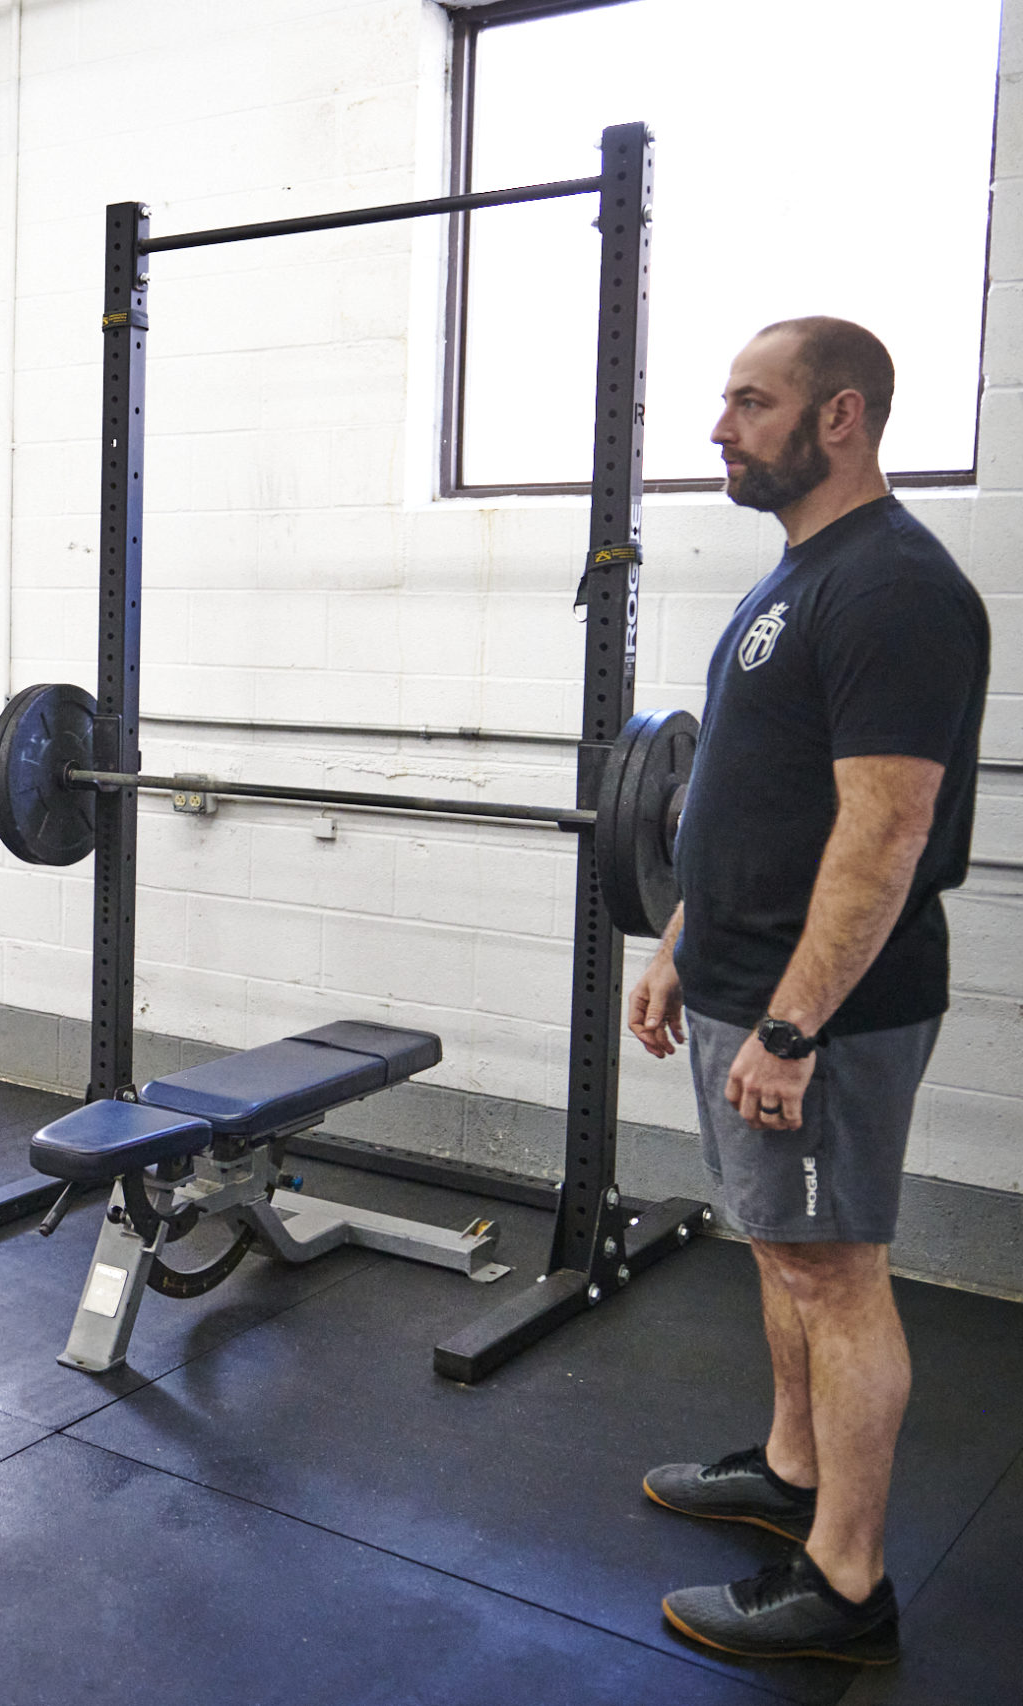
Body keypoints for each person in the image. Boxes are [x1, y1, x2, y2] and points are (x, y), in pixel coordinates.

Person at [625, 317, 988, 1666]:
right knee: (786, 1249)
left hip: (819, 1013)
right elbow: (749, 798)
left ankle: (846, 1584)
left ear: (839, 418)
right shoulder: (797, 577)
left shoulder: (892, 585)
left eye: (749, 401)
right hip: (741, 980)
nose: (721, 426)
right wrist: (679, 941)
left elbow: (884, 832)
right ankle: (791, 1470)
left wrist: (790, 1025)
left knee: (835, 1272)